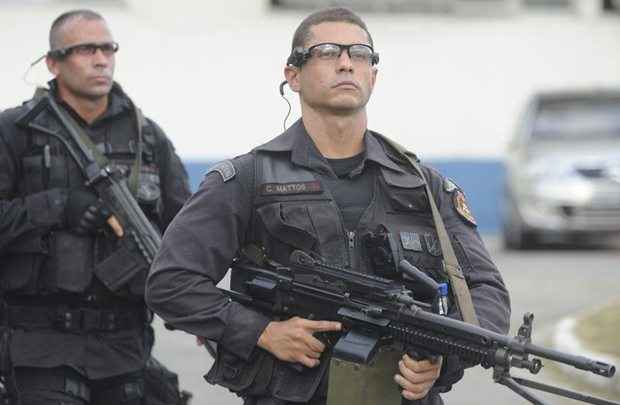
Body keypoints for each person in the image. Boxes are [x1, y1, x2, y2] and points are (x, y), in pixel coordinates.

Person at [146, 7, 510, 405]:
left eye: (359, 54)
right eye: (327, 52)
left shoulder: (424, 185)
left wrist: (442, 355)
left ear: (373, 75)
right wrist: (260, 331)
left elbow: (486, 291)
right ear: (293, 75)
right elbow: (171, 283)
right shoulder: (247, 180)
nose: (345, 64)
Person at [0, 9, 191, 405]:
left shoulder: (147, 136)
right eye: (86, 49)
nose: (101, 59)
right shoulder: (14, 132)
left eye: (108, 48)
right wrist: (58, 205)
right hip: (40, 347)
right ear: (53, 62)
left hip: (124, 348)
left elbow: (186, 231)